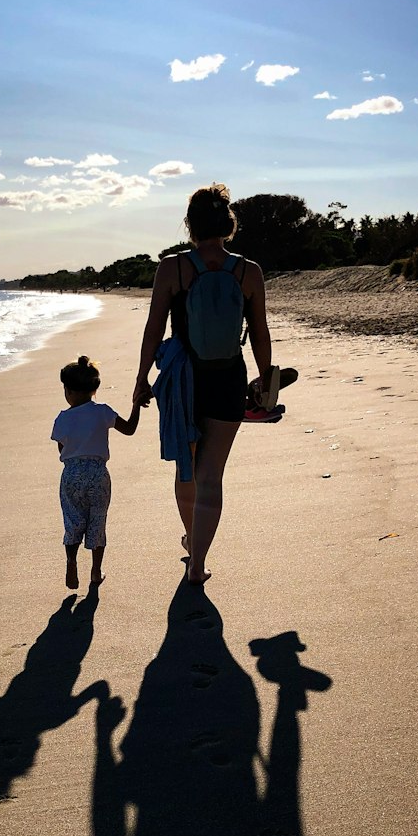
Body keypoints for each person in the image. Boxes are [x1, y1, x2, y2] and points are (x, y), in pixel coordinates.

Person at [133, 182, 281, 585]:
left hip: (183, 378)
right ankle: (198, 563)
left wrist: (141, 379)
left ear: (190, 225)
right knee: (211, 475)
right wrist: (265, 382)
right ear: (228, 224)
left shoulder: (173, 267)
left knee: (187, 468)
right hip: (228, 377)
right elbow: (261, 332)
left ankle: (189, 541)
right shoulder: (248, 271)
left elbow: (153, 328)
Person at [51, 354, 142, 590]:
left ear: (68, 391)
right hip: (98, 474)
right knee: (97, 521)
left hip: (71, 474)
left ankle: (71, 560)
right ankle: (95, 570)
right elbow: (130, 429)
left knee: (73, 520)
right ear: (94, 389)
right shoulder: (102, 411)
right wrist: (136, 405)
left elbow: (62, 447)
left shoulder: (62, 418)